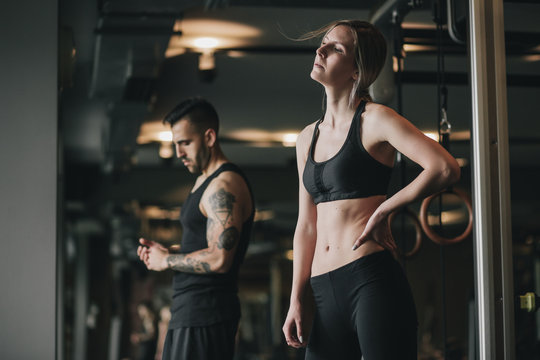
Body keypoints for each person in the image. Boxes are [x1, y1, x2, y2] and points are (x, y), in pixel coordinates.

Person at [282, 20, 460, 359]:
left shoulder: (375, 119)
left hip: (370, 279)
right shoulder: (307, 138)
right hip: (321, 289)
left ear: (356, 70)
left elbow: (445, 167)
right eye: (323, 43)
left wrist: (386, 208)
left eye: (336, 49)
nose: (320, 51)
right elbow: (306, 225)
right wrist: (296, 298)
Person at [137, 97, 254, 360]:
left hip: (205, 313)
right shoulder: (205, 181)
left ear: (210, 137)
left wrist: (166, 260)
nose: (178, 153)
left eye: (185, 143)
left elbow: (221, 258)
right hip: (189, 312)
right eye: (175, 144)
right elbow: (206, 245)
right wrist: (169, 251)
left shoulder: (224, 185)